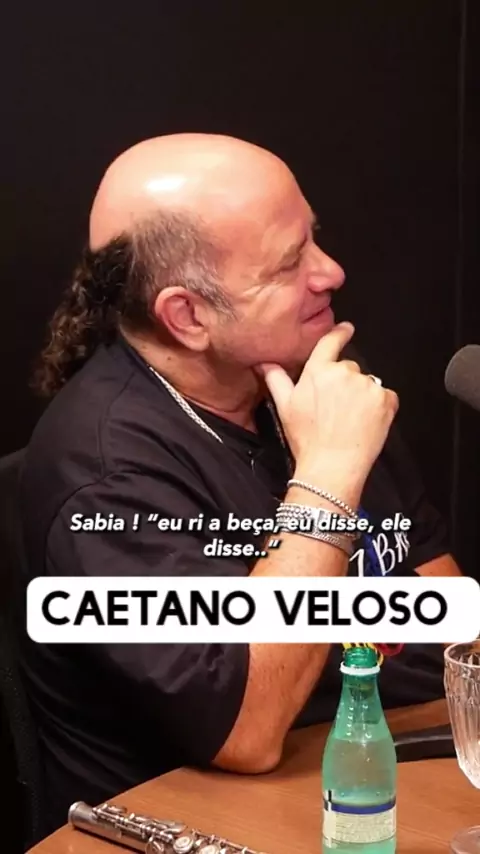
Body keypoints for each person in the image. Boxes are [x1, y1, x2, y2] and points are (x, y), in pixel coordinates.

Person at [17, 133, 461, 836]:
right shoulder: (105, 477)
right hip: (205, 822)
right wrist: (329, 475)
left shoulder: (312, 384)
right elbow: (245, 729)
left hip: (389, 770)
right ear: (187, 316)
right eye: (289, 263)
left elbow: (454, 631)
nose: (331, 271)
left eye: (315, 238)